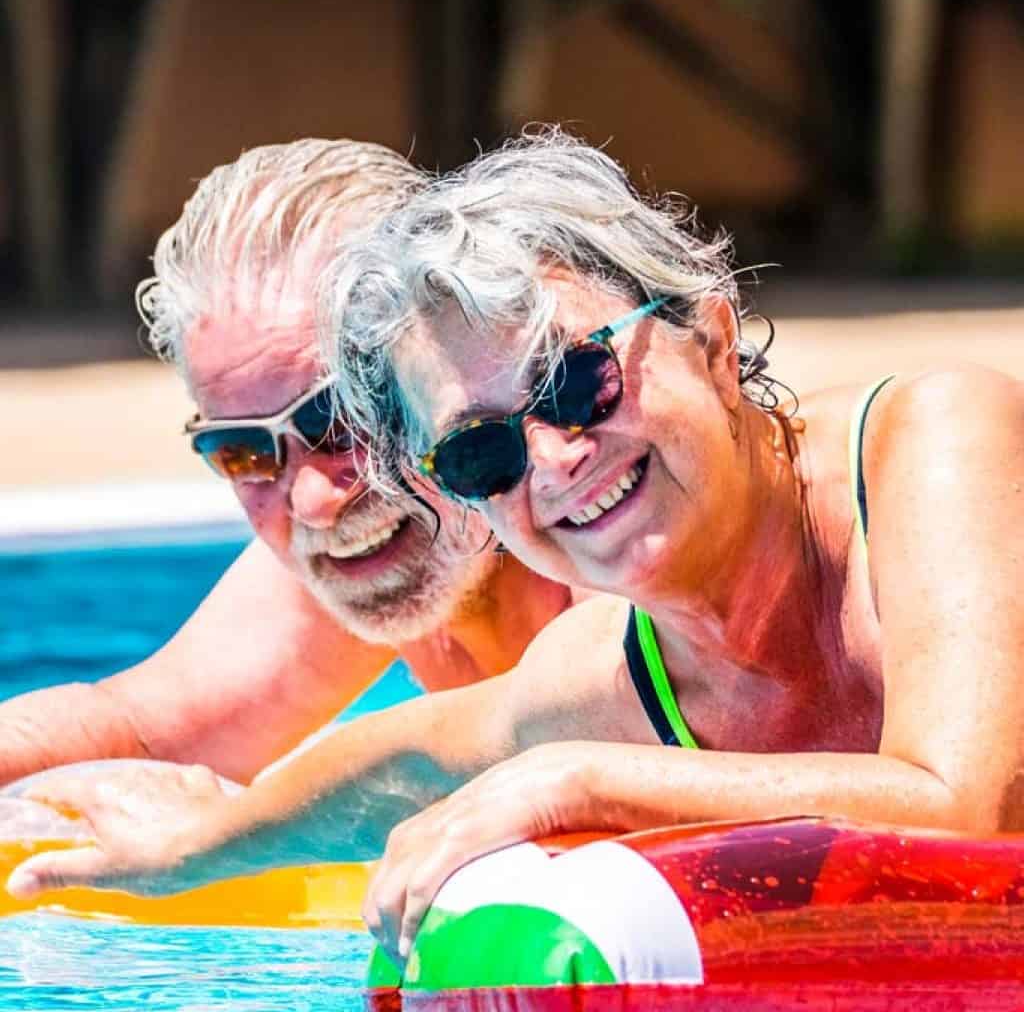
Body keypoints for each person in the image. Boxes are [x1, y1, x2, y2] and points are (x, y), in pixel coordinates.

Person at [11, 130, 1024, 973]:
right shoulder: (601, 672)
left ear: (711, 337)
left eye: (579, 382)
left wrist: (574, 782)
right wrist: (184, 852)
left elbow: (961, 809)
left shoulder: (932, 444)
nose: (551, 459)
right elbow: (404, 758)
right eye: (479, 450)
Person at [0, 138, 578, 789]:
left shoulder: (607, 516)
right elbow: (139, 731)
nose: (312, 503)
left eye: (342, 418)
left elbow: (600, 730)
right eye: (243, 451)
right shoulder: (392, 546)